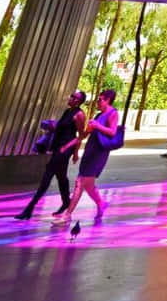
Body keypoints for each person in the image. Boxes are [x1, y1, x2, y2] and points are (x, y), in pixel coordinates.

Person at [16, 90, 85, 220]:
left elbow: (80, 136)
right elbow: (60, 128)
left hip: (65, 149)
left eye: (74, 97)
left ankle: (29, 209)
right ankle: (66, 202)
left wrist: (74, 152)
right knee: (61, 177)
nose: (71, 98)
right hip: (58, 147)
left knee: (47, 176)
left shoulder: (79, 114)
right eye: (71, 95)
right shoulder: (67, 112)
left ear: (79, 101)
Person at [59, 88, 119, 223]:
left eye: (100, 99)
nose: (98, 101)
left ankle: (67, 215)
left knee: (79, 183)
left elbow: (113, 132)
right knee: (88, 185)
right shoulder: (98, 115)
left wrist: (98, 126)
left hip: (99, 153)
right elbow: (85, 134)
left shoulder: (113, 113)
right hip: (90, 151)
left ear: (108, 100)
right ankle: (101, 204)